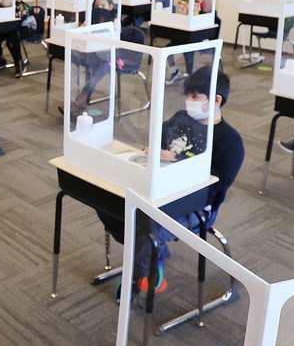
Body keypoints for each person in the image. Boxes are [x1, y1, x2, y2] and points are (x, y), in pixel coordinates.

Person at [97, 69, 244, 295]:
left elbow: (217, 185)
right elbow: (157, 139)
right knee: (107, 201)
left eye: (195, 97)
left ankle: (139, 278)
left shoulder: (229, 141)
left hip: (196, 205)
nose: (189, 102)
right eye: (188, 96)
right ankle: (154, 252)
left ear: (216, 100)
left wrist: (177, 158)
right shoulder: (181, 118)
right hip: (158, 189)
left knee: (147, 226)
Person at [64, 0, 119, 122]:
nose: (99, 8)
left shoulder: (115, 22)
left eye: (103, 5)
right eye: (97, 6)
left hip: (112, 58)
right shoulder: (91, 19)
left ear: (111, 6)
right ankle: (80, 103)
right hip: (95, 56)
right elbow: (79, 32)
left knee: (100, 69)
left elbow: (115, 44)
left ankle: (79, 103)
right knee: (89, 65)